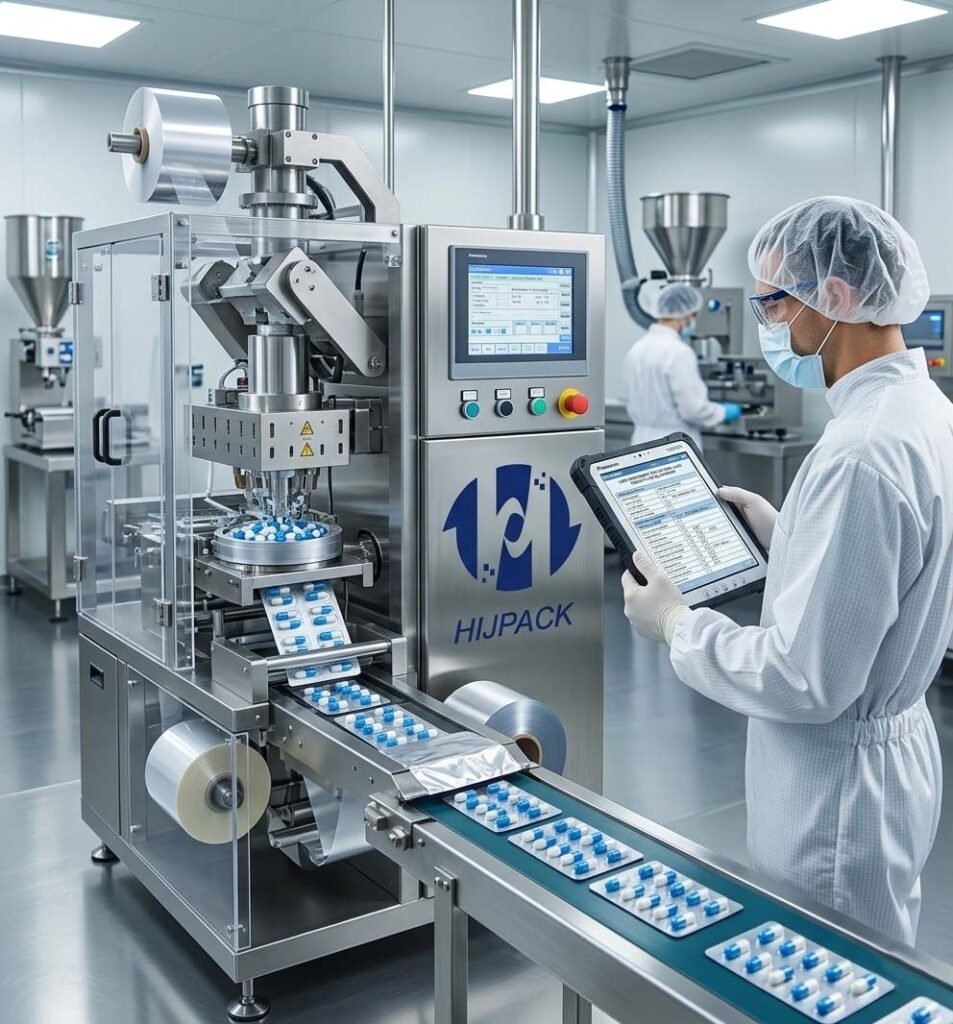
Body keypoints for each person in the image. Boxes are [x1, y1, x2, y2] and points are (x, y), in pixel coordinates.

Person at [620, 196, 949, 947]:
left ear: (832, 297)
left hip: (834, 791)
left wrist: (676, 625)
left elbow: (802, 679)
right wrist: (789, 539)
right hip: (884, 757)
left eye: (773, 303)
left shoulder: (861, 450)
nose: (770, 326)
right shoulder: (922, 412)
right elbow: (891, 577)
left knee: (827, 970)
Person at [623, 282, 742, 448]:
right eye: (693, 316)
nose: (693, 322)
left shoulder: (637, 349)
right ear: (685, 316)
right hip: (674, 446)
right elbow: (694, 409)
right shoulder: (678, 352)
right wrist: (724, 412)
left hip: (641, 441)